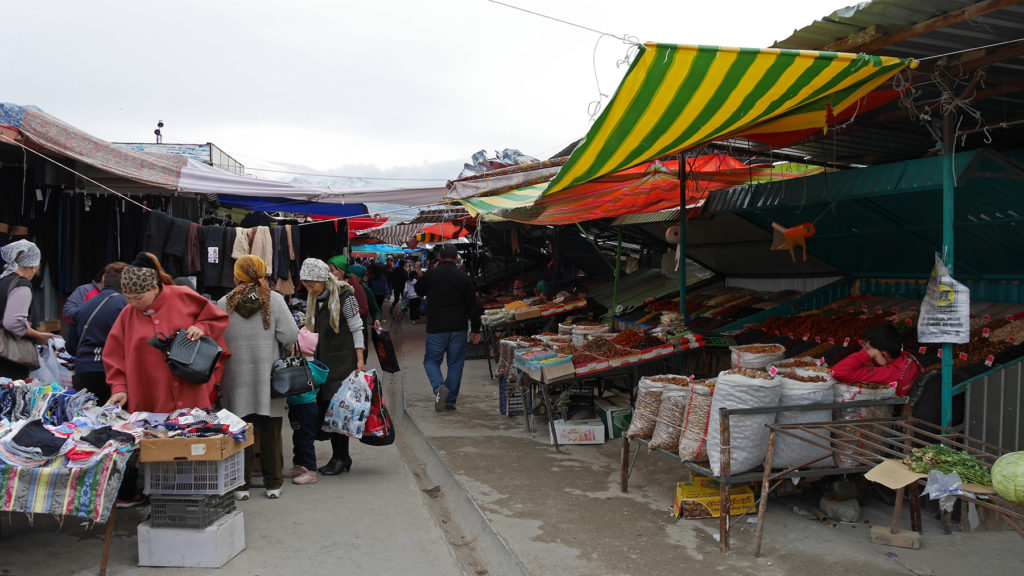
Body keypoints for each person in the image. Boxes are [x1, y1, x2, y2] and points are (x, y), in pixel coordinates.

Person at [103, 252, 231, 413]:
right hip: (149, 396)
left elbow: (217, 318)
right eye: (128, 298)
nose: (133, 303)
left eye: (138, 298)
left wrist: (201, 327)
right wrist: (119, 387)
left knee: (195, 434)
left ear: (155, 288)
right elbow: (114, 356)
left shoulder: (182, 296)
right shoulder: (127, 315)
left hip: (190, 389)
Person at [217, 255, 298, 500]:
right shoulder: (273, 299)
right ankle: (273, 484)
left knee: (239, 431)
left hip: (235, 378)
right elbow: (290, 334)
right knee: (271, 430)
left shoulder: (223, 303)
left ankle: (241, 486)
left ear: (237, 275)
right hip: (268, 377)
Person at [299, 258, 365, 476]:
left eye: (312, 285)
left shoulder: (345, 296)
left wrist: (360, 360)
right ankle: (340, 457)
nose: (309, 290)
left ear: (322, 280)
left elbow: (357, 328)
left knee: (337, 410)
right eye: (306, 286)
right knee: (327, 409)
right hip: (323, 362)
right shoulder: (315, 299)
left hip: (343, 361)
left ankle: (341, 457)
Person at [415, 244, 482, 412]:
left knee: (431, 361)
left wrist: (424, 274)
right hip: (458, 327)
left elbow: (418, 290)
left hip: (436, 327)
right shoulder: (464, 277)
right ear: (456, 258)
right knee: (455, 364)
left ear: (439, 258)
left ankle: (439, 388)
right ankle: (450, 401)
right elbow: (474, 306)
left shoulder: (431, 275)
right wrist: (475, 330)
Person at [66, 262, 128, 404]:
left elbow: (71, 347)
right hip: (113, 373)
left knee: (88, 421)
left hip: (83, 371)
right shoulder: (127, 306)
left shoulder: (83, 307)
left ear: (104, 280)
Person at [0, 240, 55, 379]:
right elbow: (13, 322)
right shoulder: (22, 285)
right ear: (33, 267)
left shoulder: (3, 280)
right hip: (9, 360)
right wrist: (38, 335)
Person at [831, 323, 922, 397]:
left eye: (867, 349)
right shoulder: (907, 357)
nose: (864, 351)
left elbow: (837, 372)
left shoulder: (887, 374)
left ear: (883, 355)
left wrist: (870, 354)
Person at [285, 326, 322, 485]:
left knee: (305, 438)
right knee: (298, 436)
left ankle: (311, 470)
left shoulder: (307, 367)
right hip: (297, 405)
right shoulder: (305, 364)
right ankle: (299, 465)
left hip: (305, 407)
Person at [347, 264, 383, 333]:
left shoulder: (365, 290)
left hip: (360, 328)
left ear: (358, 278)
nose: (348, 277)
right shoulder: (343, 286)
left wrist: (377, 319)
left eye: (351, 275)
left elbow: (375, 309)